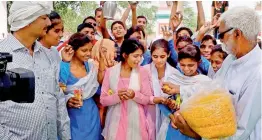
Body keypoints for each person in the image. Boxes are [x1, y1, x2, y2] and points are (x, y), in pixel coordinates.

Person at [168, 7, 262, 140]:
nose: (220, 40)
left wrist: (198, 135)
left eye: (220, 34)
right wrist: (184, 103)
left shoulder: (258, 73)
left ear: (237, 34)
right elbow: (212, 89)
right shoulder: (231, 58)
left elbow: (241, 131)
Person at [0, 2, 71, 140]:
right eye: (44, 18)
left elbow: (57, 99)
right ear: (27, 20)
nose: (49, 22)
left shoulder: (49, 55)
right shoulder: (2, 54)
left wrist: (65, 136)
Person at [100, 39, 163, 140]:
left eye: (140, 56)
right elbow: (103, 100)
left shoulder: (143, 72)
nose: (139, 59)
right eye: (135, 56)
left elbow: (147, 99)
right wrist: (117, 97)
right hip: (115, 122)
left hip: (137, 121)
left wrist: (135, 95)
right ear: (125, 55)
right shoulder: (110, 72)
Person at [159, 44, 211, 140]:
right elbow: (161, 102)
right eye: (182, 65)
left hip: (193, 130)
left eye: (190, 65)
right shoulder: (173, 78)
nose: (186, 69)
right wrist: (173, 116)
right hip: (174, 129)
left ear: (198, 63)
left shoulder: (205, 82)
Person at [59, 33, 102, 140]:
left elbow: (97, 90)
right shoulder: (64, 66)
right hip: (71, 115)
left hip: (91, 113)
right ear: (73, 49)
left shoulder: (91, 66)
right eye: (84, 50)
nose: (88, 54)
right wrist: (67, 100)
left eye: (90, 50)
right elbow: (58, 90)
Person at [143, 39, 179, 140]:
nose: (159, 60)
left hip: (167, 115)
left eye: (162, 56)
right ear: (150, 55)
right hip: (148, 113)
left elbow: (178, 97)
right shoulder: (144, 71)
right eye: (155, 56)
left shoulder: (174, 73)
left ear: (168, 54)